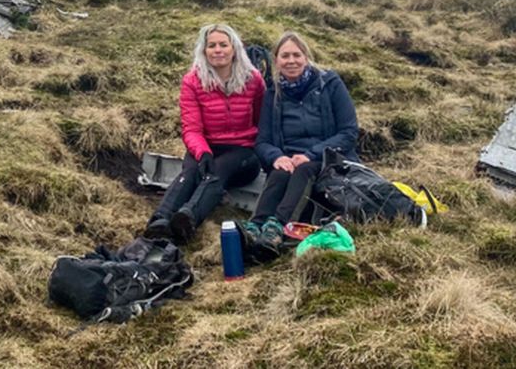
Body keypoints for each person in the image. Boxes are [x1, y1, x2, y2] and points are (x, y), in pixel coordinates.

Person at [145, 24, 265, 245]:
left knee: (218, 171)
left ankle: (188, 217)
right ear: (204, 51)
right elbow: (191, 128)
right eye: (212, 46)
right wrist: (202, 152)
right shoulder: (192, 81)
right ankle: (159, 220)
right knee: (191, 171)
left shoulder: (254, 79)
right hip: (207, 146)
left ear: (234, 49)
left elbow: (262, 121)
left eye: (223, 45)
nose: (218, 50)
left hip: (243, 152)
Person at [244, 31, 358, 261]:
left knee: (303, 169)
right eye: (285, 56)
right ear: (276, 60)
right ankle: (255, 227)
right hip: (290, 159)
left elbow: (348, 132)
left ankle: (279, 227)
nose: (291, 61)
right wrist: (276, 156)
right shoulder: (272, 94)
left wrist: (311, 154)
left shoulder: (331, 84)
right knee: (280, 172)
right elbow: (262, 141)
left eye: (297, 55)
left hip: (328, 158)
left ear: (306, 57)